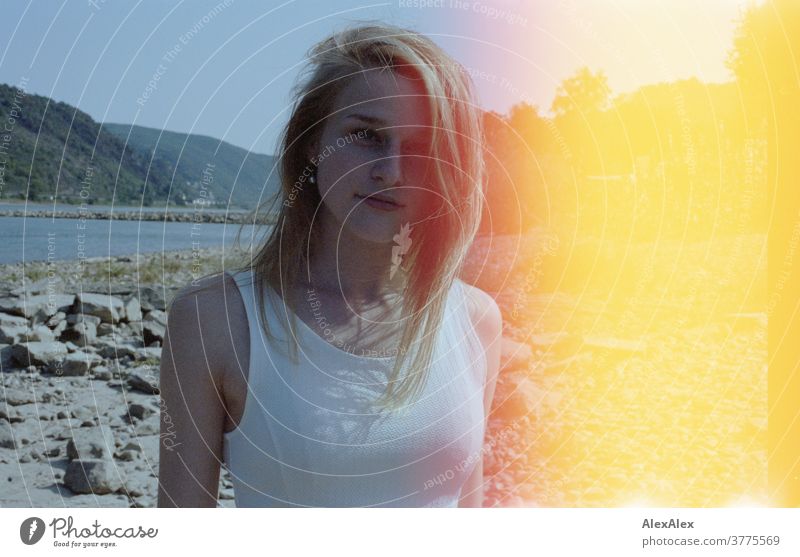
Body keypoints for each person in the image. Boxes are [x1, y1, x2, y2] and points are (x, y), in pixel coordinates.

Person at [157, 21, 502, 508]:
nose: (392, 171)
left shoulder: (475, 319)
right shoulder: (215, 321)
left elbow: (470, 507)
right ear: (312, 144)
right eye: (366, 134)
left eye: (422, 147)